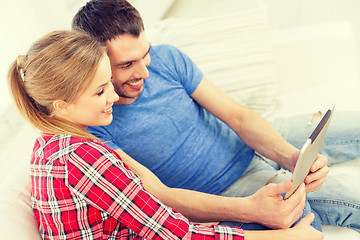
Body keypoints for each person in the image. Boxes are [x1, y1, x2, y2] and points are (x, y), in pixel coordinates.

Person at [72, 0, 360, 232]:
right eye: (127, 64)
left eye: (145, 54)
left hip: (250, 141)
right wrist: (250, 208)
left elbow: (238, 117)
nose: (145, 72)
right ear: (93, 64)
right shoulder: (95, 125)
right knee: (339, 205)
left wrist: (291, 157)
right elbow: (159, 195)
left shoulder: (166, 59)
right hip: (227, 188)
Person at [7, 29, 324, 240]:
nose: (114, 98)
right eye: (100, 91)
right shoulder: (85, 159)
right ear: (62, 106)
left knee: (288, 207)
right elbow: (177, 234)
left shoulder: (51, 145)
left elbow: (154, 201)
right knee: (296, 220)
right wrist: (285, 237)